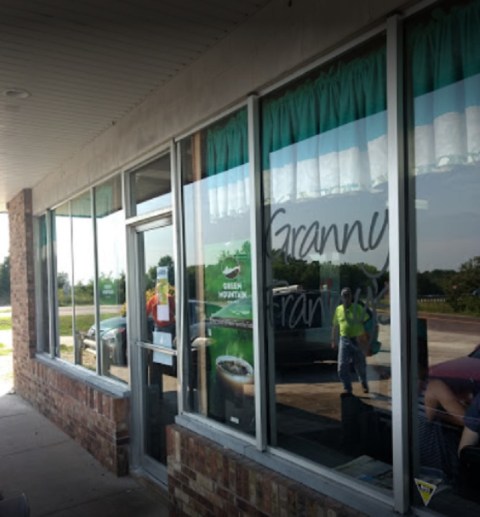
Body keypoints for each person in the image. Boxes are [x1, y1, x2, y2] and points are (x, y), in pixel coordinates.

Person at [331, 287, 370, 395]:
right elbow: (335, 326)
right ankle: (347, 388)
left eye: (348, 296)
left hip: (357, 339)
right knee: (342, 366)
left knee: (360, 365)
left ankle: (364, 383)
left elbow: (367, 322)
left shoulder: (358, 308)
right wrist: (333, 340)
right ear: (341, 297)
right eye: (344, 296)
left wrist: (366, 340)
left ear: (351, 297)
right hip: (344, 340)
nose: (346, 298)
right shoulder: (338, 309)